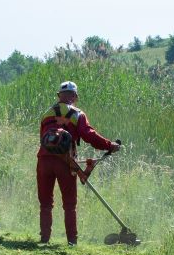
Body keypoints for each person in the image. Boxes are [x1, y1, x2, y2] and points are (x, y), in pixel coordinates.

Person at [36, 80, 121, 245]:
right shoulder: (78, 114)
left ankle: (44, 239)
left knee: (45, 203)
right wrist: (109, 145)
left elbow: (42, 138)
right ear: (75, 97)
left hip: (44, 160)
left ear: (59, 96)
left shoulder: (46, 113)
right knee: (69, 204)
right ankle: (72, 241)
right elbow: (89, 135)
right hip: (65, 162)